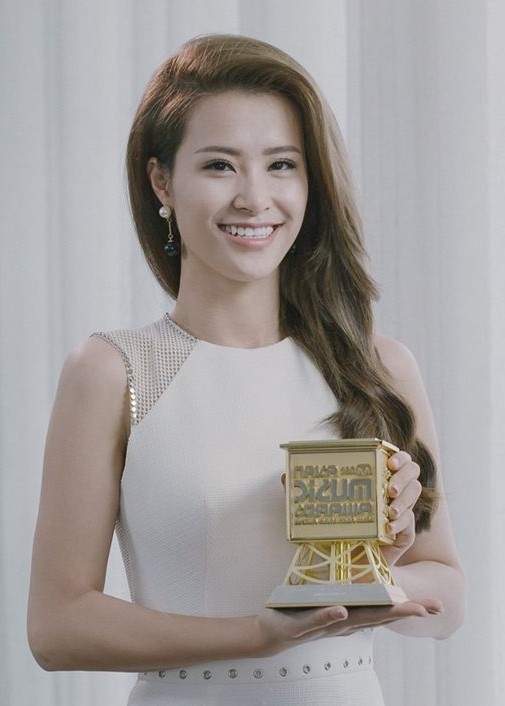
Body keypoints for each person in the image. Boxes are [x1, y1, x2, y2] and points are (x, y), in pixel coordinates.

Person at [27, 34, 464, 706]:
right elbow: (57, 628)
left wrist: (379, 571)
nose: (255, 198)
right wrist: (255, 635)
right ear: (161, 181)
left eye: (281, 164)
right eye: (220, 166)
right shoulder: (117, 371)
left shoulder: (376, 367)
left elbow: (448, 599)